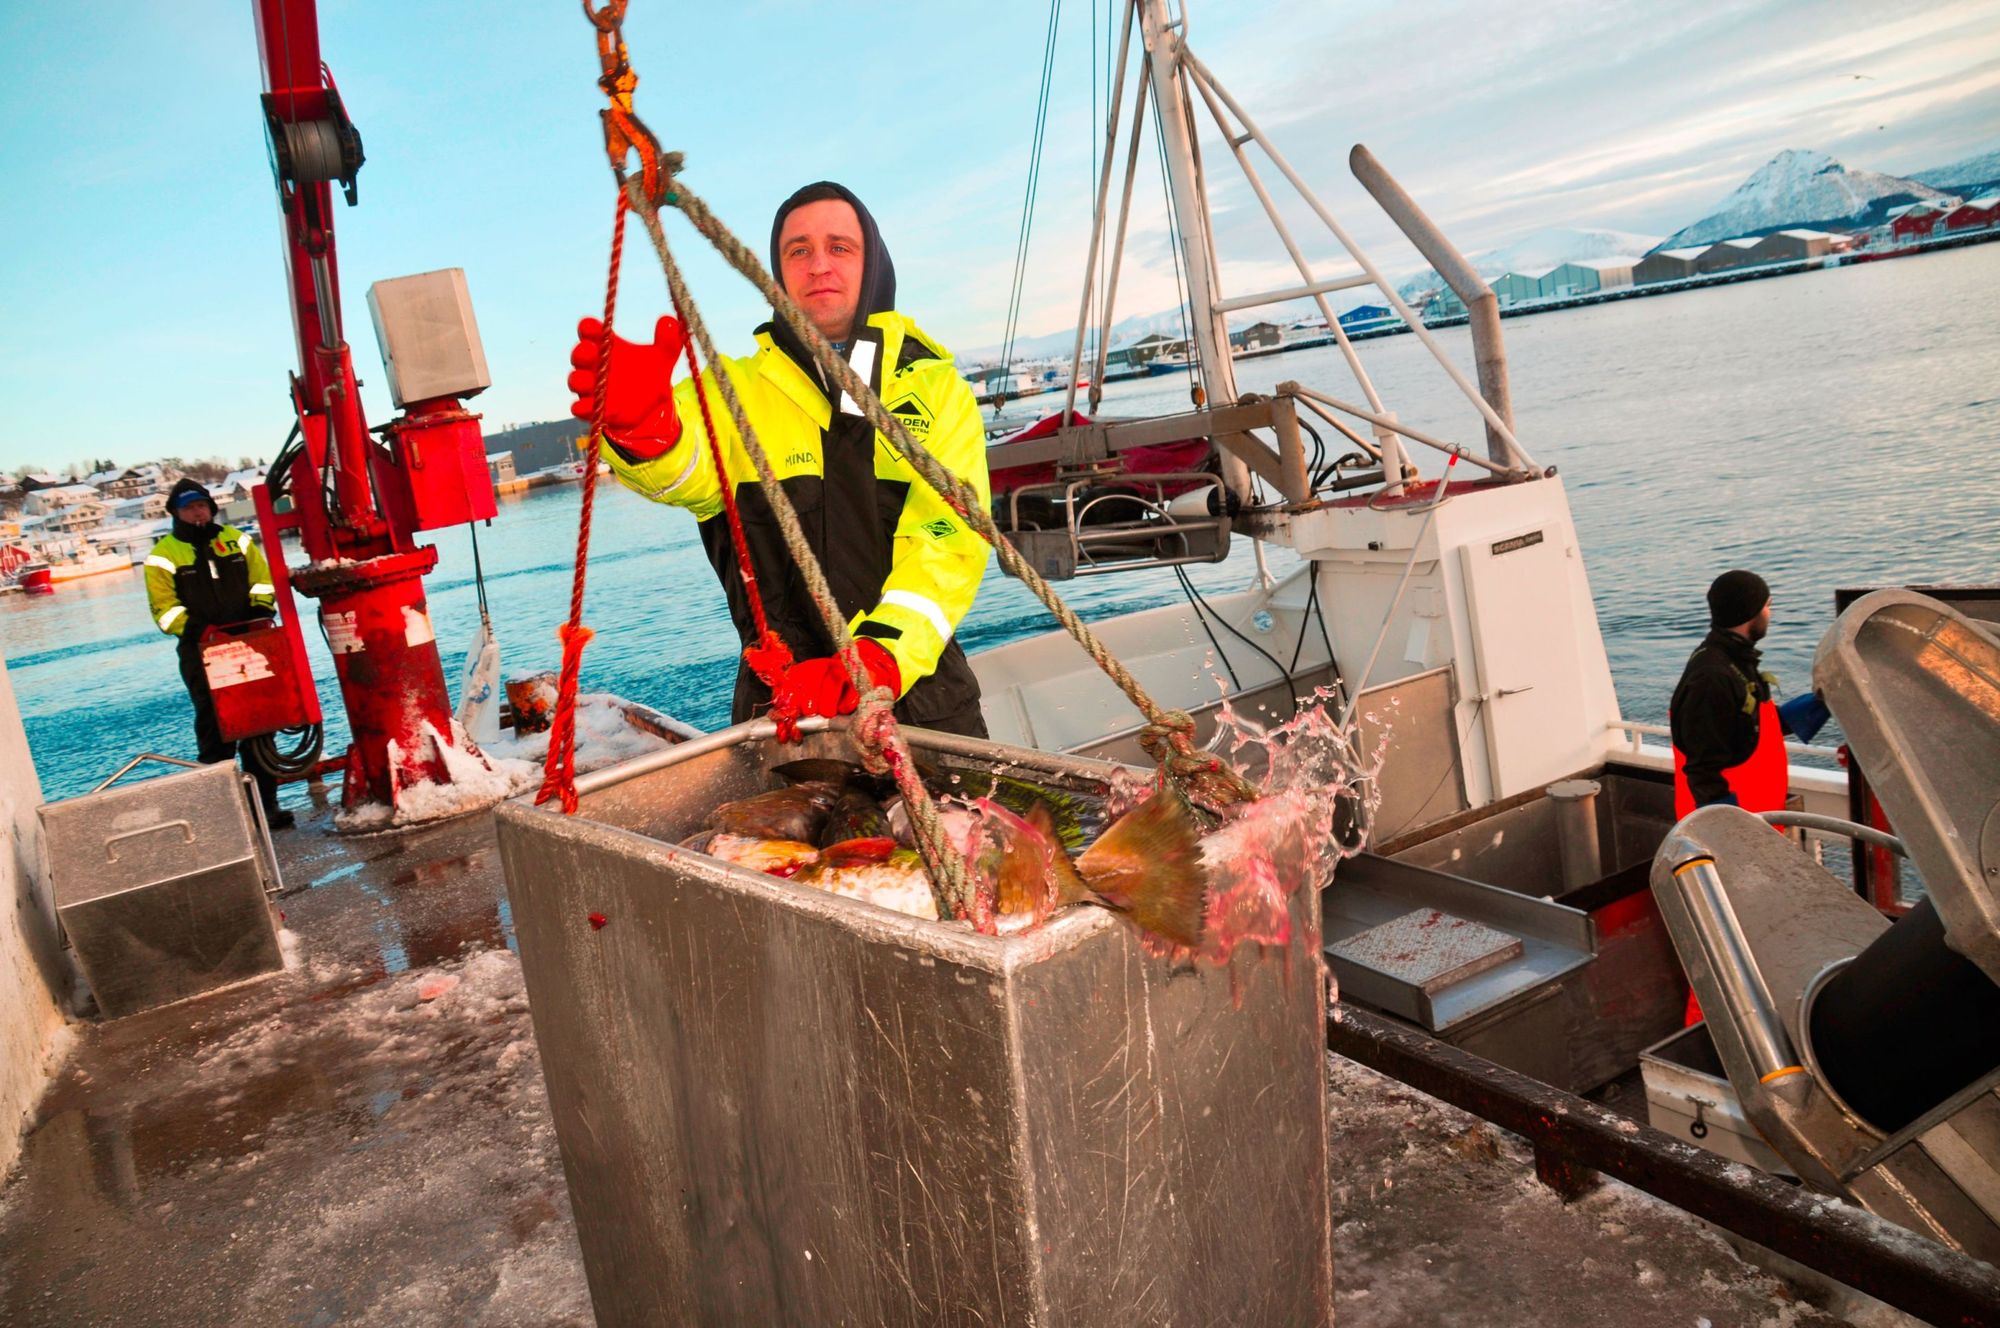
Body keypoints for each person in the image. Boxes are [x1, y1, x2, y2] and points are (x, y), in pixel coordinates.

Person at [568, 181, 991, 737]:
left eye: (839, 247)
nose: (819, 265)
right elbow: (686, 474)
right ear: (776, 273)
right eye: (799, 250)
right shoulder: (732, 391)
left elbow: (949, 543)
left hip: (925, 703)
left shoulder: (939, 392)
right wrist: (647, 430)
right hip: (779, 712)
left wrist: (881, 655)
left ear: (873, 264)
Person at [146, 478, 294, 829]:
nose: (197, 512)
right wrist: (203, 632)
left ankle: (265, 807)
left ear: (211, 508)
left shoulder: (237, 540)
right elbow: (165, 611)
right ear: (176, 513)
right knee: (214, 731)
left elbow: (262, 582)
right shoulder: (162, 555)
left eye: (202, 505)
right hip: (199, 651)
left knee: (260, 728)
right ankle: (225, 816)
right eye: (189, 507)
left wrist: (260, 613)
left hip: (248, 644)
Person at [1669, 569, 1832, 819]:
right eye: (1768, 605)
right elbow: (1703, 769)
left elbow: (1751, 729)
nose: (1770, 613)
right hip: (1730, 829)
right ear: (1750, 613)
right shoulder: (1711, 677)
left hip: (1760, 817)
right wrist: (1732, 828)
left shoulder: (1734, 660)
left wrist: (1826, 699)